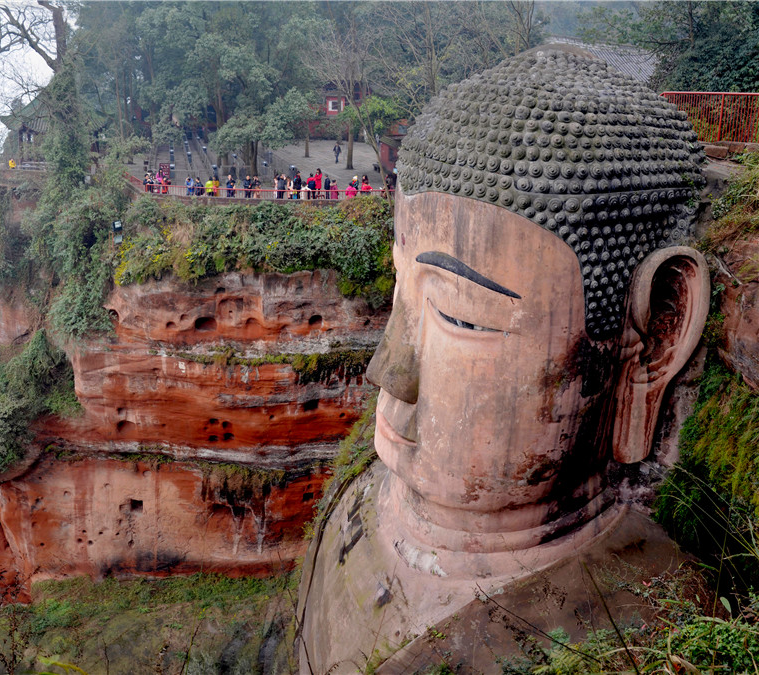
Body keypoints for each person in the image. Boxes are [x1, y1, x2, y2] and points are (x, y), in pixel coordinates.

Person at [298, 47, 711, 672]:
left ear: (653, 339)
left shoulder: (646, 637)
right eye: (397, 293)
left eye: (461, 317)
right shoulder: (360, 504)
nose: (388, 372)